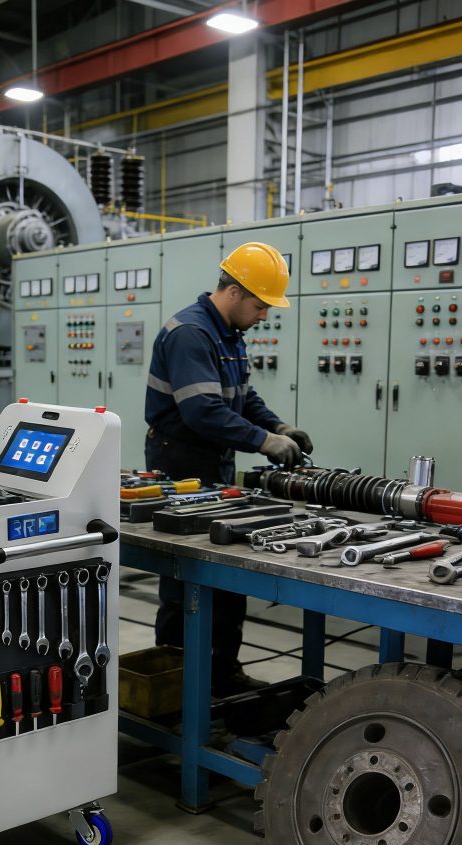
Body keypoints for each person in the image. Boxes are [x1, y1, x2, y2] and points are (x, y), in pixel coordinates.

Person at [144, 241, 312, 692]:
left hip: (214, 461)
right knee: (186, 577)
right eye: (260, 305)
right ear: (234, 292)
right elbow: (202, 410)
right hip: (179, 463)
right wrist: (263, 441)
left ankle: (222, 673)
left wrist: (278, 426)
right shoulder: (190, 333)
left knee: (226, 567)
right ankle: (178, 680)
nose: (265, 316)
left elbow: (240, 397)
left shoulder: (228, 335)